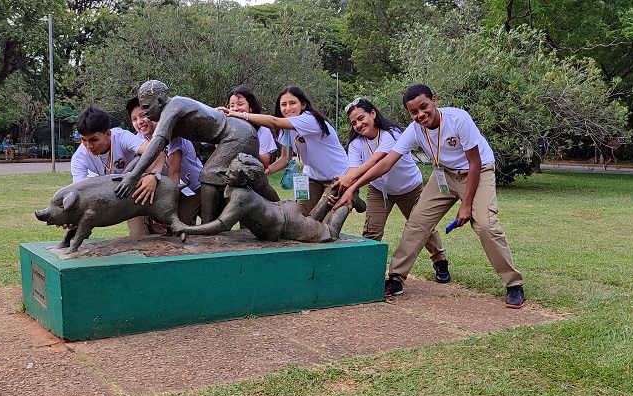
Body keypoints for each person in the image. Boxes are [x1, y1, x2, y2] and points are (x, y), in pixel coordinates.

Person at [334, 84, 525, 307]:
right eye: (414, 112)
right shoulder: (414, 130)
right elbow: (386, 163)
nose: (420, 114)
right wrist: (349, 188)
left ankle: (513, 283)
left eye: (424, 107)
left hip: (477, 172)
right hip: (443, 174)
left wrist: (466, 205)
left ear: (434, 100)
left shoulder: (459, 119)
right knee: (417, 223)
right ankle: (396, 278)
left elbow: (475, 162)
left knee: (484, 225)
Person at [114, 80, 280, 223]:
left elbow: (157, 143)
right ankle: (281, 207)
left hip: (239, 134)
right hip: (238, 134)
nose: (146, 113)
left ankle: (208, 227)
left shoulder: (173, 108)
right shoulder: (173, 111)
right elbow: (151, 151)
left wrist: (133, 176)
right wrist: (127, 174)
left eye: (147, 107)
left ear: (159, 100)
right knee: (256, 182)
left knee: (208, 175)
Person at [335, 97, 451, 284]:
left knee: (423, 227)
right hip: (379, 189)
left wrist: (351, 181)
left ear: (373, 114)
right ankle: (367, 269)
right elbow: (353, 171)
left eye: (361, 118)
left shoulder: (392, 133)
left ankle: (440, 260)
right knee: (372, 230)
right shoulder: (356, 144)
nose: (358, 124)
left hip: (409, 188)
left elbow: (378, 161)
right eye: (353, 122)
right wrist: (345, 182)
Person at [173, 153, 364, 243]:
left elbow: (222, 224)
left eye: (232, 173)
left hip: (287, 223)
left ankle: (350, 198)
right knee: (312, 220)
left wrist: (187, 228)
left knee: (330, 233)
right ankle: (334, 190)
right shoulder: (234, 186)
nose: (227, 174)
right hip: (284, 211)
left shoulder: (241, 196)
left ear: (244, 179)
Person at [218, 86, 349, 217]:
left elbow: (274, 122)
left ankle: (353, 198)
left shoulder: (310, 119)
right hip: (312, 176)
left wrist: (239, 114)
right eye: (283, 104)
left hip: (337, 176)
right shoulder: (287, 129)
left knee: (328, 219)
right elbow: (285, 158)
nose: (288, 108)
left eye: (292, 103)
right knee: (299, 218)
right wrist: (266, 171)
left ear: (303, 104)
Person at [69, 105, 165, 237]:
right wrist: (69, 216)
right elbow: (79, 193)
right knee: (138, 236)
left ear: (108, 134)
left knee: (164, 233)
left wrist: (154, 175)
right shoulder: (79, 158)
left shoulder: (121, 137)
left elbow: (157, 152)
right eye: (83, 140)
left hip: (143, 189)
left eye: (94, 140)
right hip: (126, 199)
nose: (88, 146)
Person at [127, 97, 203, 226]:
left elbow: (175, 172)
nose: (139, 122)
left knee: (183, 222)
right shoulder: (138, 140)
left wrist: (169, 207)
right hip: (174, 189)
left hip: (196, 187)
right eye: (134, 119)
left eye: (143, 116)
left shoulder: (172, 132)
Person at [226, 86, 277, 167]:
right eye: (232, 106)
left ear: (251, 107)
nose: (235, 109)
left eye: (240, 104)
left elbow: (265, 163)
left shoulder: (262, 130)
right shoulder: (225, 129)